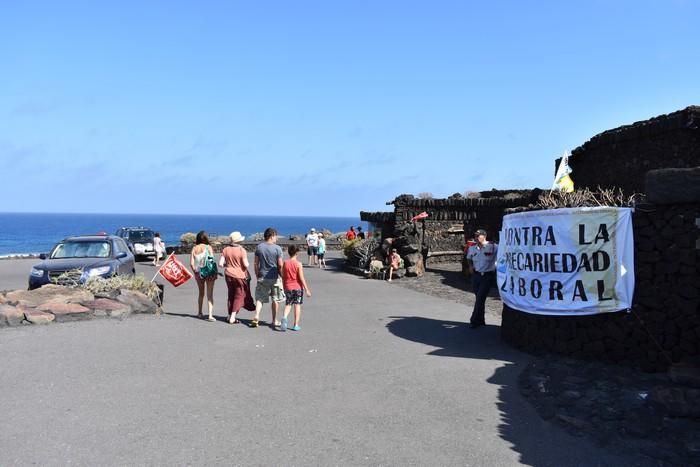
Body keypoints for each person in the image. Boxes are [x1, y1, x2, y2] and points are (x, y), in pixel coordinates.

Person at [465, 229, 498, 329]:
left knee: (480, 298)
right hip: (476, 276)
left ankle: (474, 320)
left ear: (484, 236)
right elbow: (469, 258)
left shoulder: (493, 246)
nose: (476, 237)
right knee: (480, 299)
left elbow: (503, 254)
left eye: (478, 236)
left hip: (487, 276)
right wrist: (470, 266)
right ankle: (481, 320)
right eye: (475, 236)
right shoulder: (472, 248)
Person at [253, 227, 285, 328]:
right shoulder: (277, 248)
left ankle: (257, 315)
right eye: (276, 236)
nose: (277, 238)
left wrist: (257, 274)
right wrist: (282, 275)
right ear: (271, 236)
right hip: (274, 277)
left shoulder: (259, 247)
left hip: (262, 276)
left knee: (260, 298)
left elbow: (255, 263)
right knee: (275, 299)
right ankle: (274, 320)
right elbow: (280, 265)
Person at [219, 231, 251, 324]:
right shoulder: (242, 250)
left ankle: (229, 315)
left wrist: (229, 265)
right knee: (240, 295)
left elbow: (220, 264)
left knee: (231, 294)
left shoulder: (226, 249)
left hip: (228, 274)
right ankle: (233, 317)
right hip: (239, 275)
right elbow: (246, 264)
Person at [281, 245, 312, 331]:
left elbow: (283, 277)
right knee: (297, 305)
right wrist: (307, 289)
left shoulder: (285, 263)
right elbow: (301, 278)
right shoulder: (298, 264)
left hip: (288, 286)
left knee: (288, 304)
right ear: (297, 253)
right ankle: (296, 325)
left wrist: (284, 287)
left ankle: (284, 317)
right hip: (297, 287)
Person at [190, 230, 217, 322]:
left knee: (201, 293)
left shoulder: (194, 248)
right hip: (209, 272)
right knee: (210, 295)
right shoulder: (208, 247)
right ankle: (210, 315)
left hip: (199, 273)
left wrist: (195, 271)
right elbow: (211, 260)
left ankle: (200, 312)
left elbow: (191, 263)